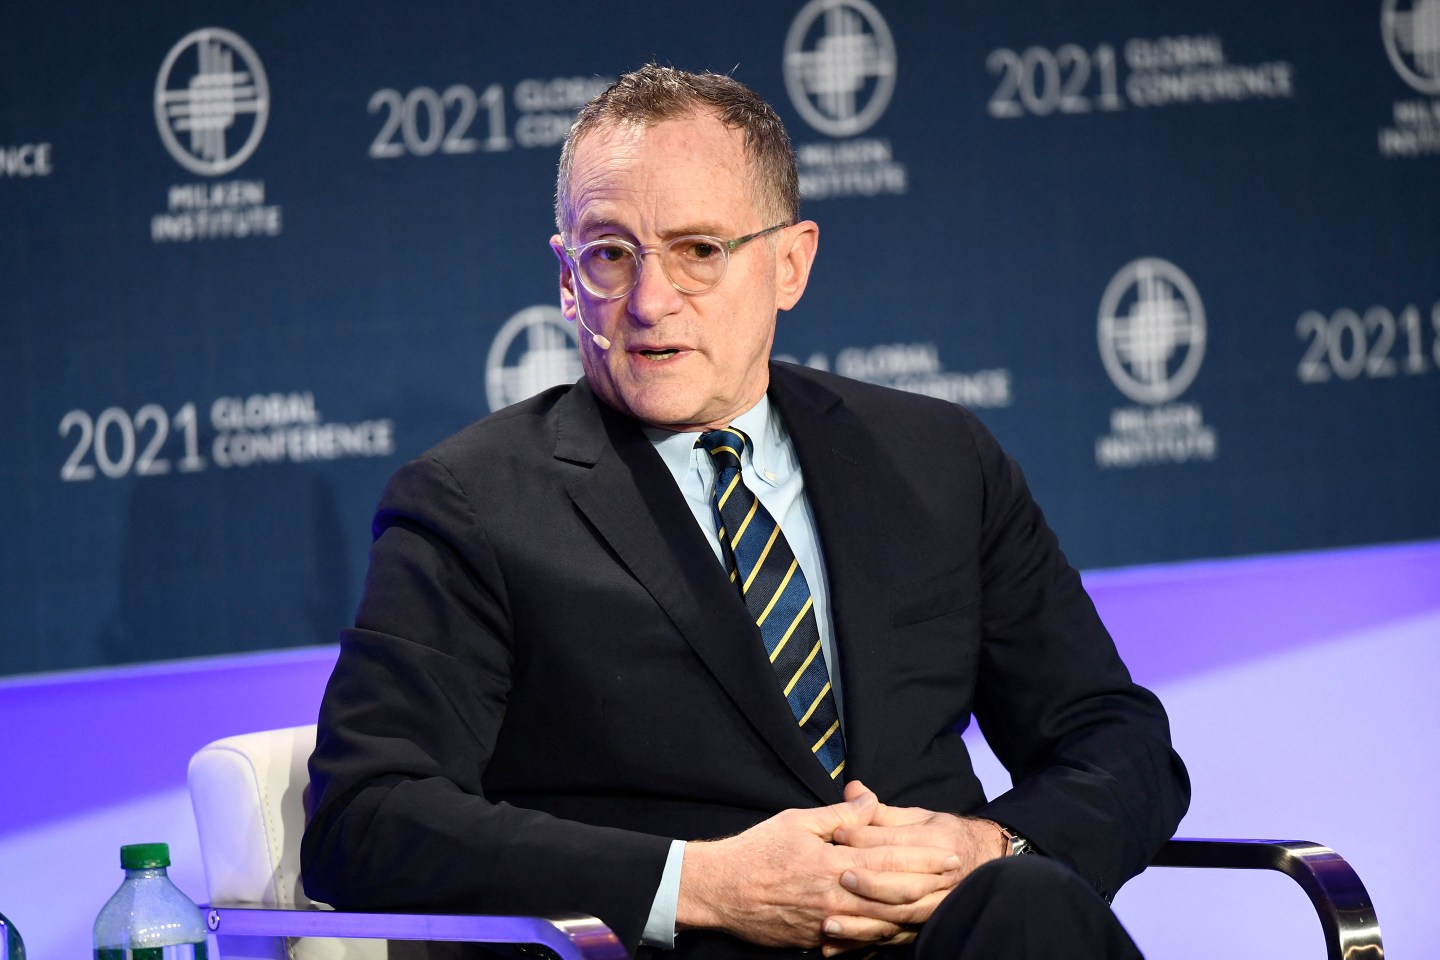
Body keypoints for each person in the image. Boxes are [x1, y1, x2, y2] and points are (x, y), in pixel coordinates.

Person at [301, 65, 1189, 960]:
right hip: (689, 949)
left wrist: (989, 847)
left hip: (951, 940)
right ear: (567, 278)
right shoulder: (474, 503)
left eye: (698, 250)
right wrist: (700, 883)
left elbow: (1116, 743)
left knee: (1026, 905)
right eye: (610, 253)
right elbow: (364, 817)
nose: (649, 303)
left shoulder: (937, 459)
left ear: (791, 263)